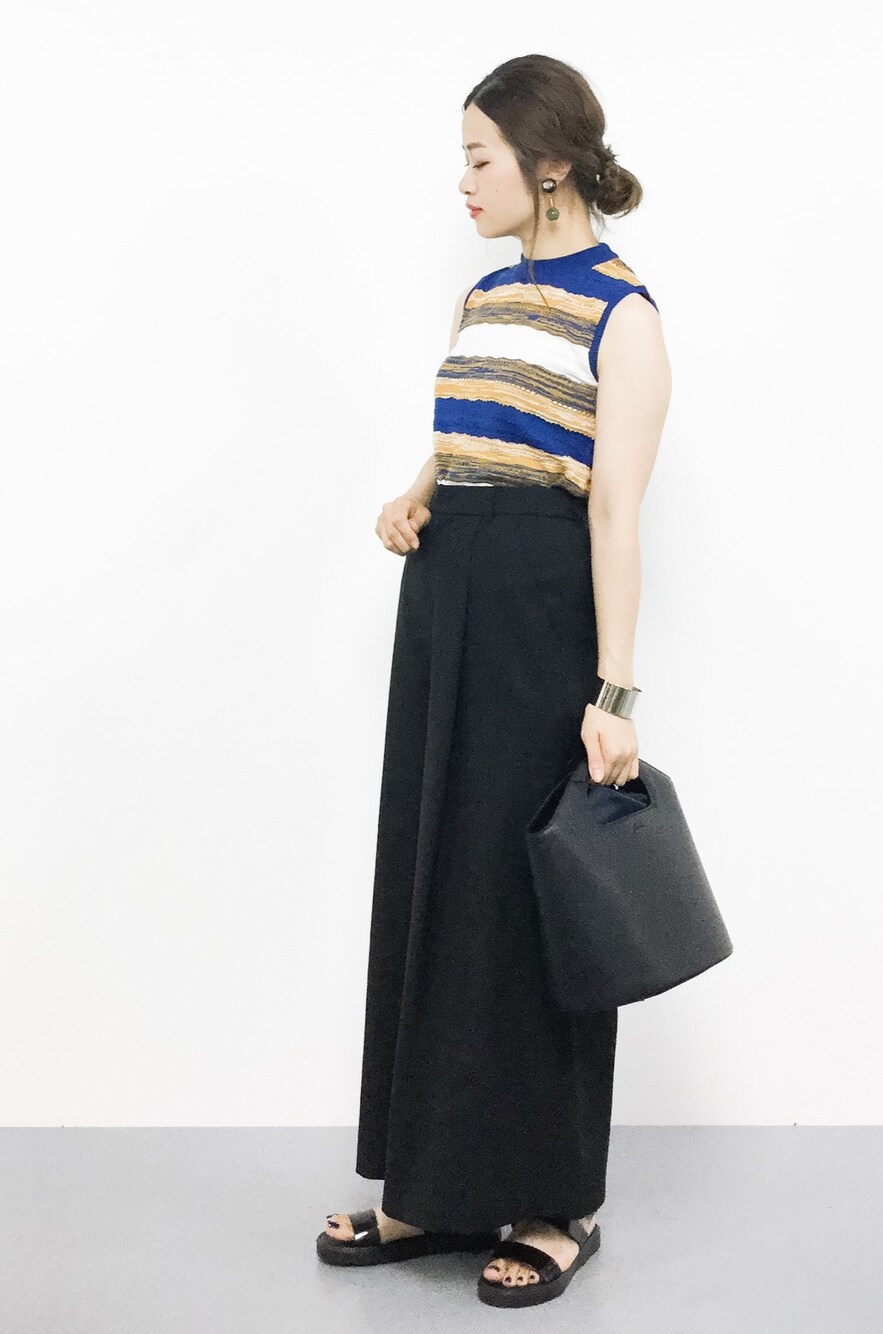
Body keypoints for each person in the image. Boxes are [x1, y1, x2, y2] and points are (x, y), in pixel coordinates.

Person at [316, 53, 671, 1309]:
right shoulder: (485, 293)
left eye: (479, 157)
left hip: (536, 611)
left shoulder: (623, 313)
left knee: (529, 903)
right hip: (446, 597)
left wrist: (612, 696)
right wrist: (417, 492)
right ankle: (432, 1185)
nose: (462, 182)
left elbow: (614, 512)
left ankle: (555, 1203)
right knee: (435, 879)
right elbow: (475, 423)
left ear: (548, 163)